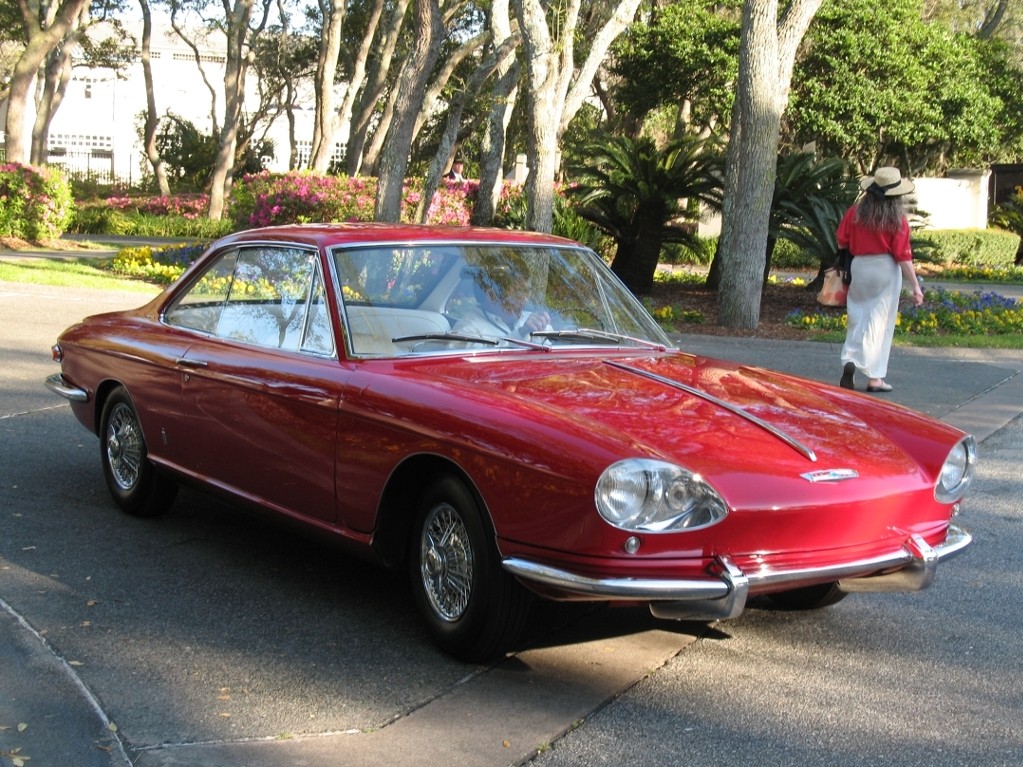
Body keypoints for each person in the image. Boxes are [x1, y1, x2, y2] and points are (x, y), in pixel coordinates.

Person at [837, 166, 924, 393]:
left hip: (860, 266)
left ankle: (851, 358)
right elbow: (903, 256)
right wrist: (915, 286)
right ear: (897, 195)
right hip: (885, 268)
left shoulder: (855, 212)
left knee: (857, 315)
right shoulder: (897, 219)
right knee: (880, 321)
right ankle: (875, 378)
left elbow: (841, 242)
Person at [452, 268, 551, 343]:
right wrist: (521, 333)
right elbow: (486, 364)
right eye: (518, 293)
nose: (525, 299)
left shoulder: (532, 320)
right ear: (492, 296)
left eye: (526, 292)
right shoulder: (467, 331)